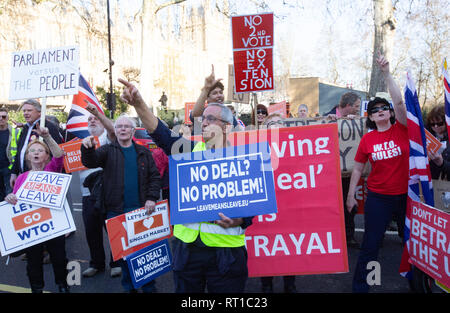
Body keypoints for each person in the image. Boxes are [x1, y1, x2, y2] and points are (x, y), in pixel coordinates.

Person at [118, 78, 253, 293]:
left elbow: (252, 207)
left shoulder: (243, 159)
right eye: (204, 118)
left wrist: (239, 220)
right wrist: (139, 103)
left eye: (212, 119)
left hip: (226, 253)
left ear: (227, 127)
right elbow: (159, 132)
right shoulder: (188, 151)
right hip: (187, 251)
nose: (205, 122)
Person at [346, 54, 409, 293]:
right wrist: (351, 195)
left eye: (385, 108)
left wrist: (386, 73)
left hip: (406, 198)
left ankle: (418, 282)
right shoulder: (368, 139)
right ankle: (364, 286)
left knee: (412, 243)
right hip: (378, 199)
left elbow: (400, 102)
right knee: (371, 245)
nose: (381, 110)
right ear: (371, 117)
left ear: (391, 113)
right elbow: (359, 168)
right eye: (375, 110)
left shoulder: (402, 129)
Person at [81, 114, 161, 293]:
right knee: (124, 257)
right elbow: (90, 161)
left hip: (142, 213)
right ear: (115, 131)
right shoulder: (107, 151)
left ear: (133, 131)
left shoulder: (144, 152)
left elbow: (155, 177)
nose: (123, 129)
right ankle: (129, 288)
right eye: (119, 127)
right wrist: (86, 148)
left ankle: (149, 288)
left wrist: (151, 198)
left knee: (145, 256)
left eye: (126, 126)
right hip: (116, 213)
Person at [4, 125, 68, 293]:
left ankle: (63, 284)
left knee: (59, 257)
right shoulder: (22, 178)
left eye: (41, 150)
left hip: (54, 223)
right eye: (33, 151)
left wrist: (47, 137)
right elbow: (15, 202)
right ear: (28, 156)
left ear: (47, 156)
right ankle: (37, 288)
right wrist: (10, 198)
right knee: (33, 260)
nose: (37, 153)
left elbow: (60, 155)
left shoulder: (52, 169)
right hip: (33, 226)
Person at [78, 103, 122, 278]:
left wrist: (98, 113)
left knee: (113, 229)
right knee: (91, 231)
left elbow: (113, 131)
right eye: (89, 118)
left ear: (103, 122)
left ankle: (116, 262)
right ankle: (96, 263)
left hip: (108, 194)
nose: (92, 120)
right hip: (87, 195)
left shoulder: (108, 137)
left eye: (96, 118)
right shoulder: (81, 142)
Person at [259, 113, 297, 293]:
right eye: (272, 123)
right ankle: (266, 284)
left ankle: (290, 283)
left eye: (280, 123)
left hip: (289, 206)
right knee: (266, 245)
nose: (276, 125)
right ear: (264, 128)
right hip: (266, 206)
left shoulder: (296, 148)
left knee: (289, 244)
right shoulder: (256, 147)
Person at [324, 92, 362, 248]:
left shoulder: (357, 120)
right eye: (357, 107)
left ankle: (348, 235)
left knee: (349, 203)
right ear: (348, 106)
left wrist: (358, 123)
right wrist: (327, 123)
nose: (359, 110)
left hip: (348, 173)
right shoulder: (326, 117)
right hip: (330, 174)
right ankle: (331, 237)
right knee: (331, 206)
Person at [10, 99, 63, 189]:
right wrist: (14, 172)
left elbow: (57, 152)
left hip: (43, 178)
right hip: (25, 176)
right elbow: (20, 152)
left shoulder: (48, 127)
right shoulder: (25, 128)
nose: (25, 113)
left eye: (29, 110)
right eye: (24, 111)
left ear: (39, 112)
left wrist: (47, 136)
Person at [191, 65, 244, 131]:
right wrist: (206, 88)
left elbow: (236, 134)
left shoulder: (228, 115)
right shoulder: (203, 112)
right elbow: (195, 114)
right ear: (207, 98)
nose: (219, 95)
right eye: (215, 93)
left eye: (221, 92)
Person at [0, 108, 21, 201]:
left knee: (10, 194)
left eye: (3, 116)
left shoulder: (15, 132)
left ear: (7, 118)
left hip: (9, 168)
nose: (1, 118)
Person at [426, 105, 450, 180]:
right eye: (432, 124)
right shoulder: (426, 135)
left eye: (439, 123)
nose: (436, 126)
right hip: (430, 180)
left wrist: (441, 163)